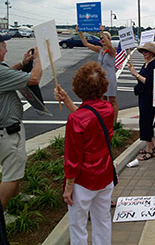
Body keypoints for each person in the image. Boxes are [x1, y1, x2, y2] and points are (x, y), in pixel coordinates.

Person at [55, 61, 114, 245]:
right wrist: (66, 100)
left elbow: (72, 158)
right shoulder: (108, 110)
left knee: (78, 226)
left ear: (79, 87)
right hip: (105, 176)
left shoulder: (75, 120)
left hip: (83, 181)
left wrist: (68, 186)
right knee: (102, 220)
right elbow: (89, 119)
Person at [0, 36, 42, 210]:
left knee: (13, 168)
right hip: (8, 132)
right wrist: (39, 59)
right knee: (11, 175)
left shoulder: (2, 71)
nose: (7, 49)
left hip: (6, 131)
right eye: (3, 45)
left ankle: (14, 198)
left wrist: (23, 62)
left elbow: (8, 73)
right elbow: (34, 79)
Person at [77, 26, 118, 123]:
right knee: (102, 100)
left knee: (112, 101)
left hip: (110, 79)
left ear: (109, 39)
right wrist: (80, 33)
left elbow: (109, 45)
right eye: (101, 38)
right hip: (101, 79)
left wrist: (102, 32)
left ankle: (114, 122)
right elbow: (86, 44)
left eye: (105, 38)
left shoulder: (112, 51)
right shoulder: (99, 50)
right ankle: (104, 120)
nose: (102, 39)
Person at [128, 42, 155, 160]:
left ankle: (149, 150)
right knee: (145, 122)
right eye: (142, 51)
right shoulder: (147, 63)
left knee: (146, 122)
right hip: (143, 96)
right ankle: (151, 146)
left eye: (145, 51)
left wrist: (135, 74)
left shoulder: (154, 64)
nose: (143, 54)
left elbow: (150, 82)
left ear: (151, 53)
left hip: (149, 97)